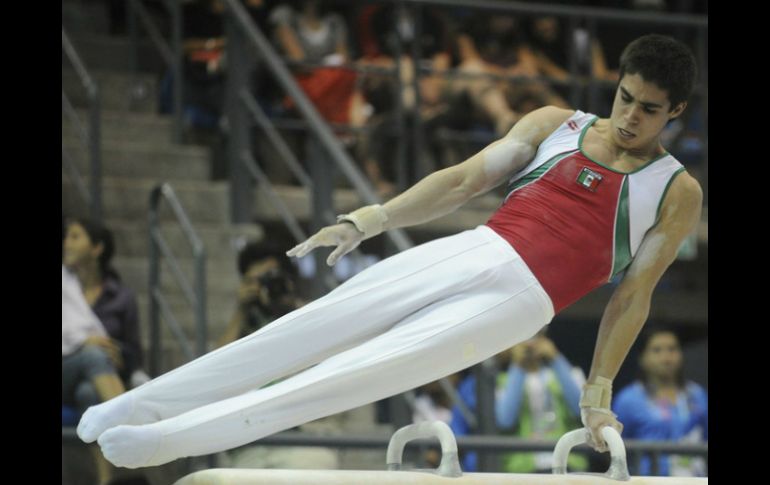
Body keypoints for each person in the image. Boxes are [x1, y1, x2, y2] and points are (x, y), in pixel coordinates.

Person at [77, 34, 702, 469]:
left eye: (648, 110)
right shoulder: (555, 124)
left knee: (351, 376)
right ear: (615, 85)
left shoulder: (675, 191)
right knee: (310, 327)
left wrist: (597, 394)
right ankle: (133, 404)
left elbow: (633, 294)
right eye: (624, 97)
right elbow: (460, 180)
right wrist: (370, 219)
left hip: (521, 301)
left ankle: (164, 439)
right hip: (475, 245)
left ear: (674, 111)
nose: (629, 117)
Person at [450, 328, 587, 473]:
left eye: (536, 336)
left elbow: (582, 411)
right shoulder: (503, 380)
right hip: (525, 469)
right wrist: (519, 365)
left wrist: (556, 359)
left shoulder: (571, 373)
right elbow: (505, 420)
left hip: (567, 464)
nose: (530, 345)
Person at [613, 327, 708, 476]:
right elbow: (613, 449)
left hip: (694, 478)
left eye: (672, 349)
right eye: (657, 350)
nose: (666, 357)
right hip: (648, 480)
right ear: (642, 358)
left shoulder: (698, 395)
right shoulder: (628, 399)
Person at [216, 241, 303, 348]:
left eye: (271, 278)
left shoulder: (303, 312)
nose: (268, 286)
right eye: (258, 280)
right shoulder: (248, 320)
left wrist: (289, 301)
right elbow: (220, 358)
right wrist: (242, 309)